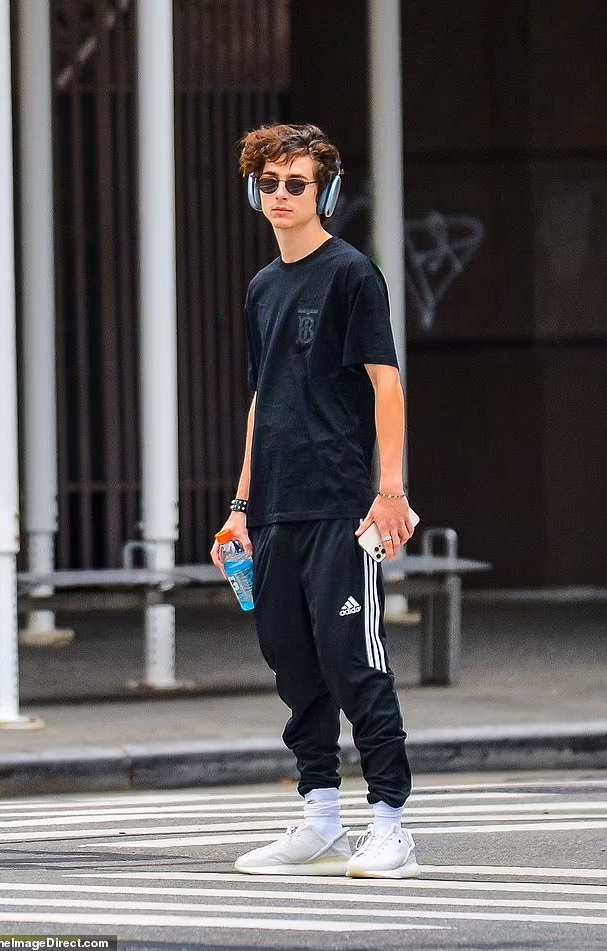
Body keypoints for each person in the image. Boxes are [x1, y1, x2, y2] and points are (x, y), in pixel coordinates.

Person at [210, 123, 419, 879]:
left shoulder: (352, 274)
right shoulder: (262, 288)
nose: (280, 196)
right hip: (273, 511)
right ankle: (320, 817)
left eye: (296, 183)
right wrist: (239, 506)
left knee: (354, 663)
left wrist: (390, 490)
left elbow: (385, 384)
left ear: (324, 191)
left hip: (339, 506)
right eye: (268, 182)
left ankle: (391, 823)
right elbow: (261, 401)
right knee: (293, 666)